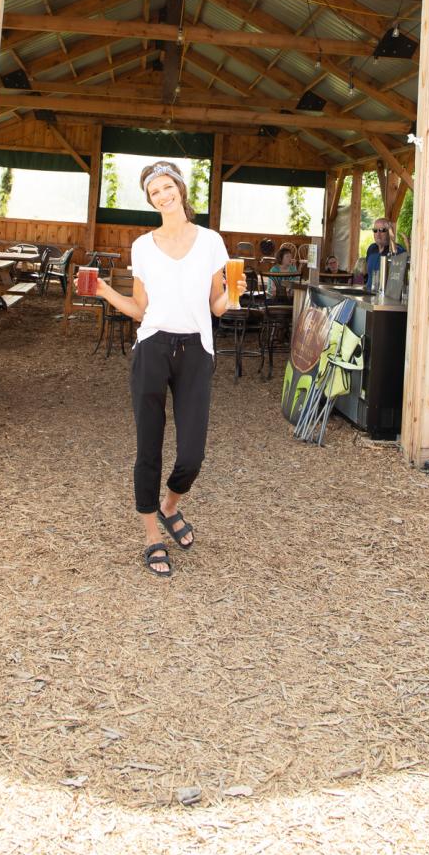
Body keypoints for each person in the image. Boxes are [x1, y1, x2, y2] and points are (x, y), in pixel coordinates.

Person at [93, 160, 244, 579]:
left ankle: (170, 506)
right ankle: (151, 537)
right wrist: (105, 291)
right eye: (153, 191)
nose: (162, 195)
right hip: (153, 347)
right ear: (150, 200)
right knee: (149, 448)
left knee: (192, 454)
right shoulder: (142, 246)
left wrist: (233, 297)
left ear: (180, 188)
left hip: (197, 349)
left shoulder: (212, 241)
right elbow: (141, 310)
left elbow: (217, 305)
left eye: (166, 186)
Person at [360, 218, 406, 291]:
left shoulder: (398, 250)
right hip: (369, 293)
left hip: (388, 295)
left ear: (390, 232)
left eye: (382, 230)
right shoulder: (371, 249)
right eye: (375, 230)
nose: (378, 234)